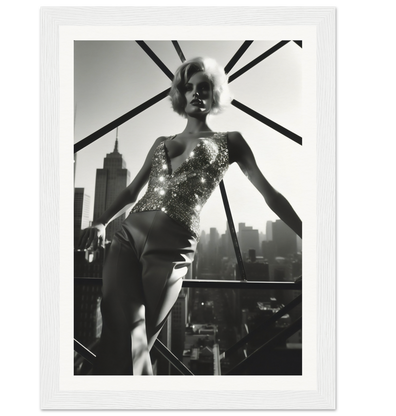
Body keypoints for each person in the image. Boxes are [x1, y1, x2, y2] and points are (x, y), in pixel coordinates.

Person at [77, 57, 302, 375]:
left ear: (216, 94)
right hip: (128, 235)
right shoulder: (161, 142)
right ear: (180, 95)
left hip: (174, 240)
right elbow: (132, 193)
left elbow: (271, 195)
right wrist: (101, 222)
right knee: (117, 328)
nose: (196, 93)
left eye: (205, 87)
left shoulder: (231, 141)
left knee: (135, 340)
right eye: (189, 87)